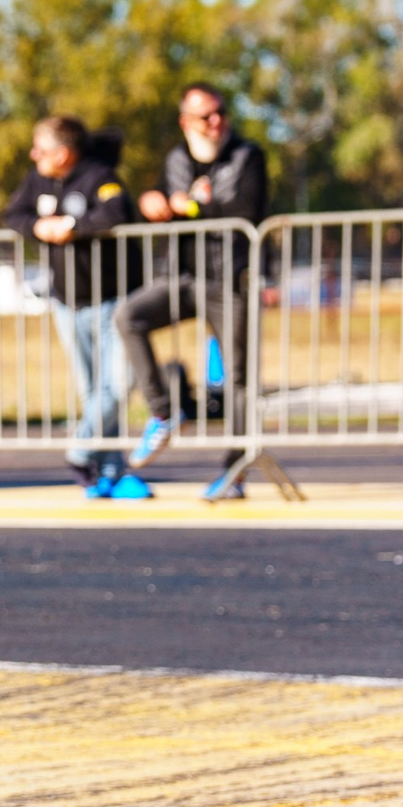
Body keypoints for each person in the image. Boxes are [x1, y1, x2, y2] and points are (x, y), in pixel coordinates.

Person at [121, 83, 269, 500]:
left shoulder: (247, 155)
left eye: (220, 111)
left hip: (229, 277)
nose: (216, 121)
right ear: (187, 122)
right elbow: (162, 196)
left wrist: (186, 205)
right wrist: (153, 201)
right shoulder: (176, 159)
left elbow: (245, 210)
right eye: (206, 115)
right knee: (129, 317)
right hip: (184, 275)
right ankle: (164, 412)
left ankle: (234, 472)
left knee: (238, 378)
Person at [0, 115, 137, 496]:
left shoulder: (99, 176)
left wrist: (73, 226)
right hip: (67, 303)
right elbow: (14, 214)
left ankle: (80, 451)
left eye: (40, 149)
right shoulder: (38, 180)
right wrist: (38, 228)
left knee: (120, 384)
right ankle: (109, 470)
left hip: (111, 300)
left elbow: (117, 211)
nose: (33, 155)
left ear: (62, 153)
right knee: (92, 391)